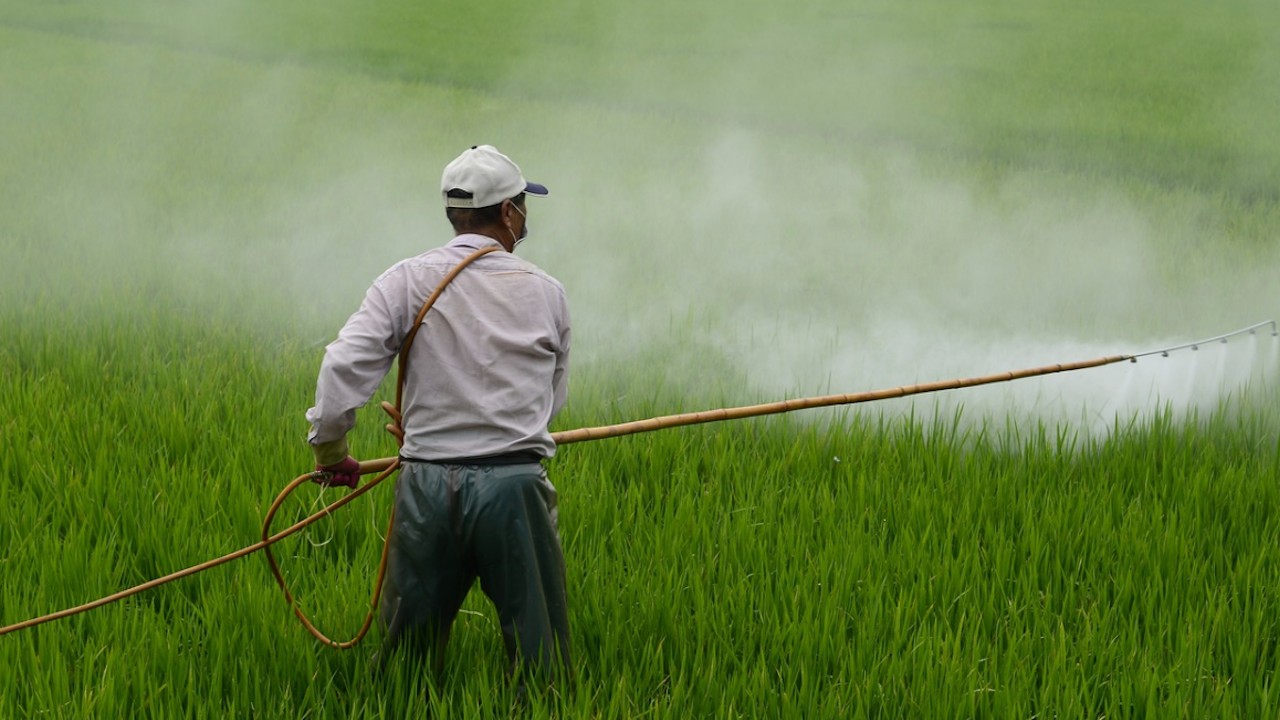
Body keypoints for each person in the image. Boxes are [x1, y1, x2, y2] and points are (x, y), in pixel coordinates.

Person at [304, 145, 572, 689]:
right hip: (515, 487)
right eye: (522, 204)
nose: (524, 216)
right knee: (541, 661)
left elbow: (343, 365)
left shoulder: (404, 280)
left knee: (407, 666)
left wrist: (332, 453)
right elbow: (550, 403)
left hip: (425, 485)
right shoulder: (546, 293)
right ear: (506, 212)